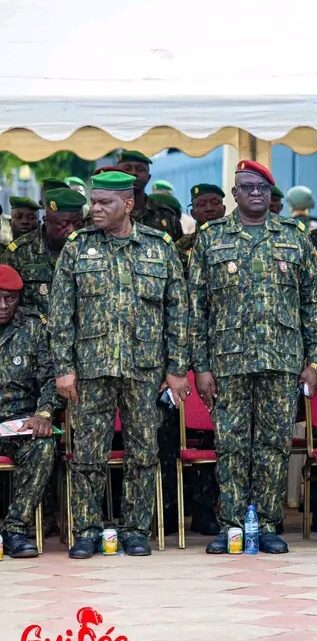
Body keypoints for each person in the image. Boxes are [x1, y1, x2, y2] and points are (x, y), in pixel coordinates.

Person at [189, 160, 317, 555]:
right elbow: (195, 307)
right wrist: (202, 366)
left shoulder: (295, 237)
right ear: (234, 194)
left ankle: (266, 523)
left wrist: (314, 363)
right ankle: (232, 524)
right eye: (246, 187)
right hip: (228, 361)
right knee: (231, 445)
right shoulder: (211, 238)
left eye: (262, 188)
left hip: (281, 361)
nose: (254, 193)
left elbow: (313, 304)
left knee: (273, 445)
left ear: (271, 193)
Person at [51, 170, 190, 559]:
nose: (94, 208)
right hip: (91, 368)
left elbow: (178, 312)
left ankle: (135, 530)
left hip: (144, 368)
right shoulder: (78, 247)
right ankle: (87, 530)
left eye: (104, 202)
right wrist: (64, 367)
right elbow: (62, 315)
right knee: (88, 455)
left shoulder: (158, 247)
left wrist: (177, 369)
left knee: (143, 453)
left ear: (127, 204)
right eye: (93, 201)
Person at [0, 265, 62, 558]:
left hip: (19, 422)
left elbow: (51, 378)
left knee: (44, 445)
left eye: (10, 299)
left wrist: (45, 412)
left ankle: (15, 529)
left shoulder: (34, 326)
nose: (3, 306)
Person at [4, 188, 85, 316]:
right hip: (32, 332)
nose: (72, 230)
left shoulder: (89, 249)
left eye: (78, 224)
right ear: (46, 221)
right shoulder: (19, 252)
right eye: (64, 224)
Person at [115, 150, 181, 240]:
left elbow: (179, 251)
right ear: (116, 175)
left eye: (140, 169)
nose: (133, 173)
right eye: (127, 169)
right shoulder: (105, 213)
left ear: (148, 178)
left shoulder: (166, 215)